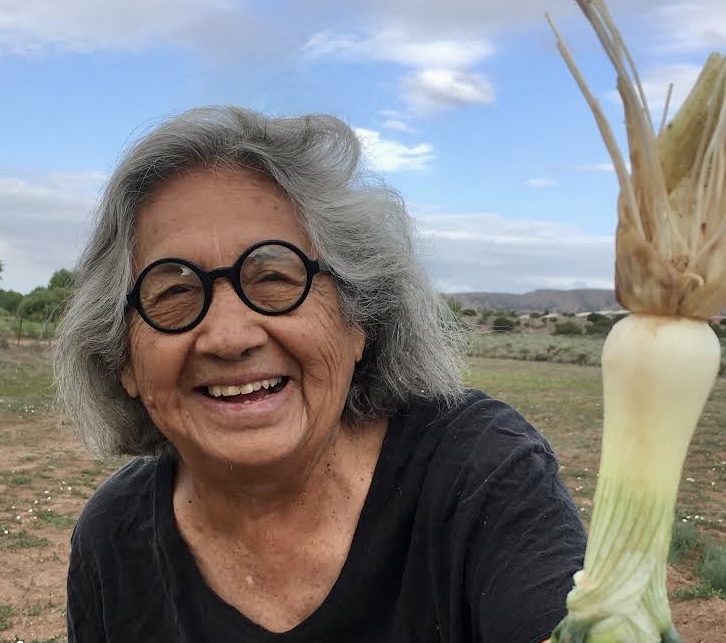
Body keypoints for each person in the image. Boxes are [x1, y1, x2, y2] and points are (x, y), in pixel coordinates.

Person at [55, 106, 586, 643]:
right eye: (173, 292)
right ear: (123, 359)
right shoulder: (114, 540)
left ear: (359, 321)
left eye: (273, 277)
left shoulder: (478, 473)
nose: (229, 336)